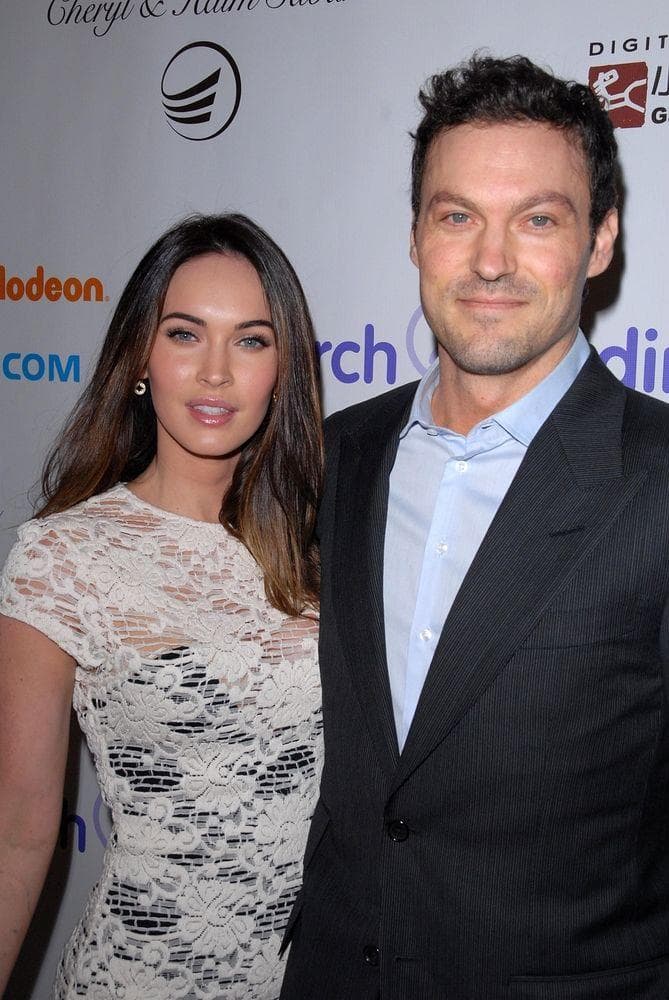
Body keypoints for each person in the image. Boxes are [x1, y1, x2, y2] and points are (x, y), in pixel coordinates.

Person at [280, 54, 669, 1000]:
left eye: (537, 219)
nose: (490, 261)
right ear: (416, 234)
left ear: (600, 240)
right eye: (456, 216)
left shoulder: (656, 478)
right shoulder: (331, 458)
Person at [0, 213, 323, 1000]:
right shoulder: (63, 556)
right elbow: (18, 830)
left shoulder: (332, 545)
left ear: (282, 369)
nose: (215, 372)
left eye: (250, 341)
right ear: (141, 356)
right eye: (185, 334)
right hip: (135, 976)